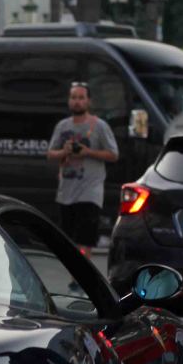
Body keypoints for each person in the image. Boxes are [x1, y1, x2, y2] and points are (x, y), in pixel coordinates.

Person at [46, 82, 119, 255]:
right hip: (66, 192)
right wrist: (65, 151)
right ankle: (75, 277)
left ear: (89, 101)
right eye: (73, 97)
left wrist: (88, 152)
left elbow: (114, 154)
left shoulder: (99, 126)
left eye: (81, 98)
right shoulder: (63, 126)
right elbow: (50, 154)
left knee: (85, 240)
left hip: (89, 192)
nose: (77, 101)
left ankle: (78, 280)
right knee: (68, 241)